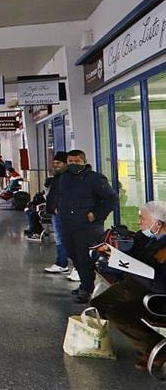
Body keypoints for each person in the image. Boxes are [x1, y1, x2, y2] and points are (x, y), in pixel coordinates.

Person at [91, 201, 166, 369]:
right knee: (99, 305)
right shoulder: (144, 237)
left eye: (143, 219)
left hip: (155, 295)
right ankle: (145, 342)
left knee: (118, 313)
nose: (140, 223)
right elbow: (132, 257)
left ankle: (156, 347)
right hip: (134, 284)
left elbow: (161, 284)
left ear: (158, 224)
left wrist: (139, 271)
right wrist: (112, 254)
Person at [56, 149, 119, 303]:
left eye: (77, 161)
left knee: (85, 258)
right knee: (72, 254)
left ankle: (87, 288)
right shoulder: (64, 178)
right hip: (67, 224)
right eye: (70, 161)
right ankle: (85, 283)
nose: (73, 164)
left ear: (84, 162)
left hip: (87, 227)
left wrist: (96, 214)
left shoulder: (95, 179)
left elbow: (112, 199)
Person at [44, 152, 71, 274]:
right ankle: (61, 263)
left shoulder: (69, 178)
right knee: (60, 238)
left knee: (72, 240)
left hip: (66, 213)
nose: (55, 165)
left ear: (66, 163)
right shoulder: (57, 177)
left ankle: (77, 268)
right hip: (57, 213)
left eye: (58, 163)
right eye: (54, 163)